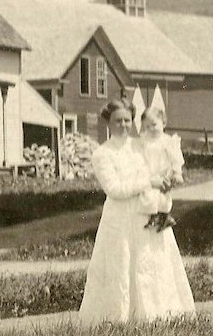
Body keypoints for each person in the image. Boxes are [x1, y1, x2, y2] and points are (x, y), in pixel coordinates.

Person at [79, 100, 195, 324]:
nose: (123, 125)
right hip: (120, 219)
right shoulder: (102, 154)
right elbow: (114, 189)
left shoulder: (140, 145)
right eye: (117, 121)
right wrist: (149, 182)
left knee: (152, 265)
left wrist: (167, 180)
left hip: (146, 213)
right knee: (122, 266)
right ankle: (119, 319)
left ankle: (157, 315)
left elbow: (160, 163)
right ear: (108, 123)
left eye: (127, 120)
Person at [137, 106, 185, 232]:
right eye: (147, 127)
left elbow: (176, 158)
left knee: (163, 194)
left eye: (154, 125)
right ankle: (154, 215)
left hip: (164, 172)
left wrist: (177, 172)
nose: (151, 129)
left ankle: (164, 215)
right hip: (149, 172)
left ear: (163, 123)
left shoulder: (167, 141)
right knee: (148, 195)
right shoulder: (144, 140)